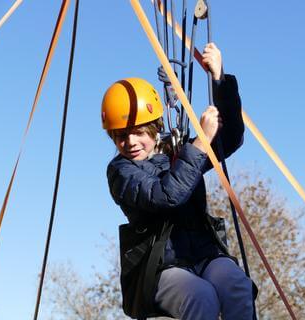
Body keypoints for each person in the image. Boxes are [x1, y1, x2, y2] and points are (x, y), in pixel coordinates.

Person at [102, 43, 254, 320]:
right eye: (121, 136)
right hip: (162, 267)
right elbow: (166, 195)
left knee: (237, 286)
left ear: (153, 128)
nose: (131, 142)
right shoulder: (121, 172)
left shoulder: (179, 152)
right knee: (201, 297)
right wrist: (198, 145)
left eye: (138, 133)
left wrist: (219, 79)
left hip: (204, 255)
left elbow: (231, 137)